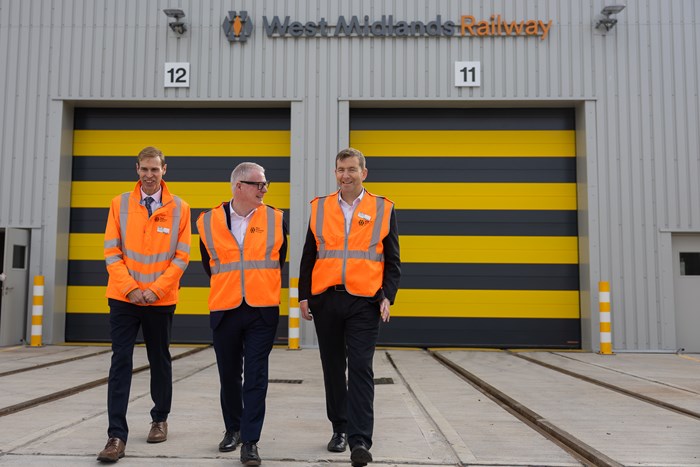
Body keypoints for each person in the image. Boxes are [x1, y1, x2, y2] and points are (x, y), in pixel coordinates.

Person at [299, 147, 401, 467]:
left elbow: (393, 259)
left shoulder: (382, 208)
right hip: (327, 298)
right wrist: (304, 296)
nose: (346, 175)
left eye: (352, 169)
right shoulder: (320, 207)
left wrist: (388, 295)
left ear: (363, 173)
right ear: (335, 173)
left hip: (364, 300)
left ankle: (360, 439)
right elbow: (308, 255)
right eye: (341, 169)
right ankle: (339, 429)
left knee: (360, 367)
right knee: (332, 367)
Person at [98, 146, 191, 463]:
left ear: (165, 169)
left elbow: (181, 256)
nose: (149, 175)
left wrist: (155, 290)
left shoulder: (180, 207)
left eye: (155, 169)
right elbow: (112, 252)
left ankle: (159, 419)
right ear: (136, 169)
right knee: (120, 361)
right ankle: (116, 436)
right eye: (144, 169)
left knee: (159, 359)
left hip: (160, 299)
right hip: (124, 298)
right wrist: (131, 289)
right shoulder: (119, 204)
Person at [197, 162, 287, 466]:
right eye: (258, 184)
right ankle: (233, 428)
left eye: (265, 185)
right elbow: (208, 263)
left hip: (262, 309)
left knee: (256, 377)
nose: (264, 189)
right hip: (225, 308)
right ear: (239, 187)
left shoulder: (276, 218)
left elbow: (279, 260)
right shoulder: (207, 221)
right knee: (229, 376)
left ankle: (251, 441)